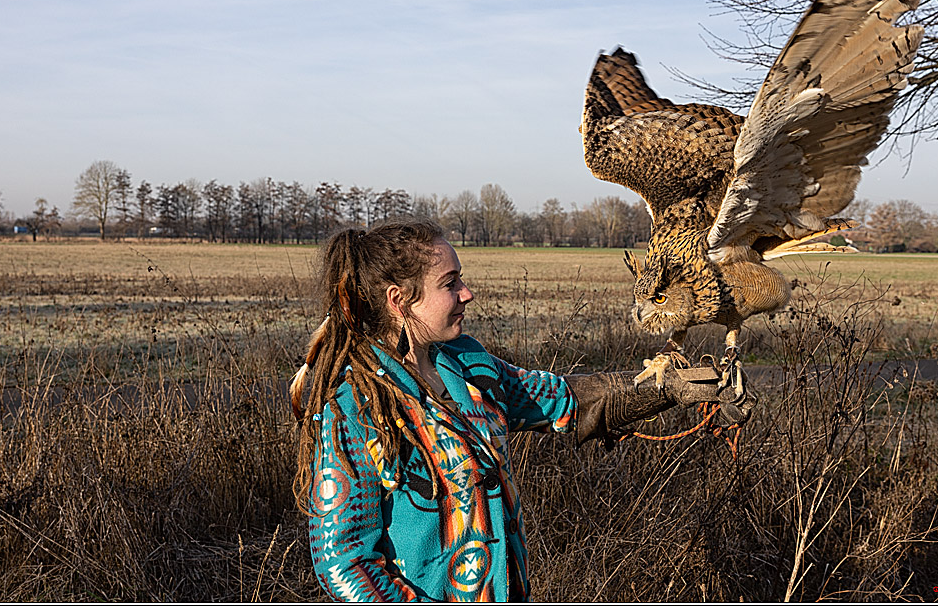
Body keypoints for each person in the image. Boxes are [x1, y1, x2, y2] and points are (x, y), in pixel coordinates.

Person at [290, 219, 749, 602]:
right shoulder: (354, 406)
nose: (467, 293)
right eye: (450, 284)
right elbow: (344, 563)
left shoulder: (468, 365)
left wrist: (666, 389)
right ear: (398, 300)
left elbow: (565, 399)